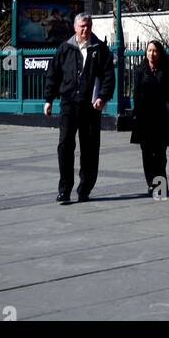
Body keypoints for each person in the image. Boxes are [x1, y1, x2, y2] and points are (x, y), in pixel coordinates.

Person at [43, 13, 114, 203]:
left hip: (90, 106)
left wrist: (102, 97)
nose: (85, 29)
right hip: (68, 103)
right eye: (82, 26)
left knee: (89, 148)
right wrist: (49, 99)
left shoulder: (100, 49)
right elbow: (53, 73)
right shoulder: (65, 48)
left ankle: (85, 188)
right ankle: (64, 189)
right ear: (75, 27)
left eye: (88, 26)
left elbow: (108, 76)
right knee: (65, 145)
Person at [131, 41, 169, 194]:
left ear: (160, 53)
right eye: (149, 50)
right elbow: (136, 93)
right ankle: (152, 181)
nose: (152, 54)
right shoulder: (140, 70)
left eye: (155, 51)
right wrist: (135, 113)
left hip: (160, 116)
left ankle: (160, 184)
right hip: (144, 116)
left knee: (160, 153)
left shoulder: (165, 69)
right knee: (146, 152)